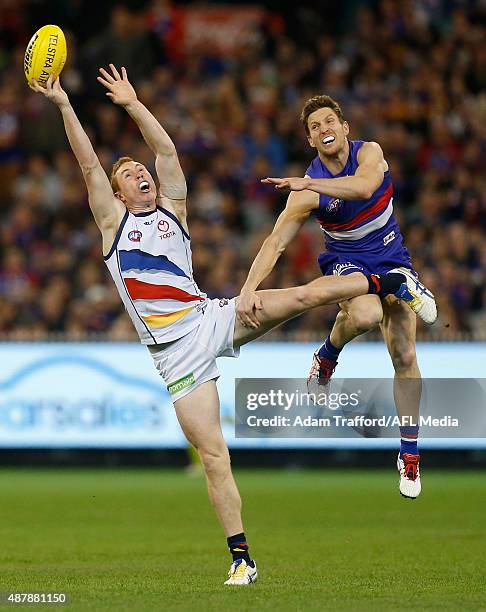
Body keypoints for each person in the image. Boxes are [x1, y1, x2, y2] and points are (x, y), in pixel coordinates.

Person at [29, 72, 434, 585]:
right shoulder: (113, 226)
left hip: (211, 318)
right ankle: (242, 558)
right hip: (174, 356)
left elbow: (168, 152)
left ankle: (385, 279)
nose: (140, 173)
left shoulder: (173, 209)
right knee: (215, 457)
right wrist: (65, 103)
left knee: (305, 295)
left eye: (140, 169)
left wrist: (134, 104)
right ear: (115, 193)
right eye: (129, 173)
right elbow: (88, 162)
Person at [237, 94, 438, 501]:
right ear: (310, 140)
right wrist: (247, 289)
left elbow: (364, 189)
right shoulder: (306, 192)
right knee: (363, 314)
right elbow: (275, 242)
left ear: (345, 127)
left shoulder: (370, 154)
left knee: (405, 356)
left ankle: (410, 453)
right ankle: (338, 343)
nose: (324, 128)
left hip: (391, 255)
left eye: (330, 121)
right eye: (315, 127)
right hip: (348, 263)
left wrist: (308, 182)